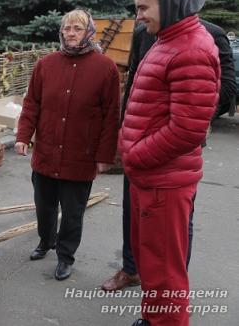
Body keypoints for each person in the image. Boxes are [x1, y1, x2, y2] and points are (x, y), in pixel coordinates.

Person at [101, 18, 236, 293]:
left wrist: (188, 108)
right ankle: (131, 269)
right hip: (137, 143)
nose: (140, 15)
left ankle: (172, 281)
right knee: (132, 209)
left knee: (176, 220)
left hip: (175, 148)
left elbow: (229, 88)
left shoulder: (211, 35)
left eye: (145, 6)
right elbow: (135, 83)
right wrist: (124, 129)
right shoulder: (144, 33)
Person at [119, 0, 220, 326]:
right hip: (151, 177)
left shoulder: (191, 48)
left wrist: (135, 155)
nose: (139, 15)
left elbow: (187, 130)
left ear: (172, 1)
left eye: (144, 7)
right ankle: (152, 319)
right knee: (152, 263)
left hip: (162, 181)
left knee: (164, 272)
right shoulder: (168, 40)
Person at [15, 9, 120, 281]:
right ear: (61, 32)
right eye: (67, 28)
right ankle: (45, 241)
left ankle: (65, 256)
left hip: (80, 156)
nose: (71, 33)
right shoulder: (46, 65)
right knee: (44, 206)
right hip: (46, 153)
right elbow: (31, 104)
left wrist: (105, 156)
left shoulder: (105, 68)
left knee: (73, 213)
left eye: (77, 28)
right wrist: (23, 137)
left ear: (89, 32)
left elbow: (111, 116)